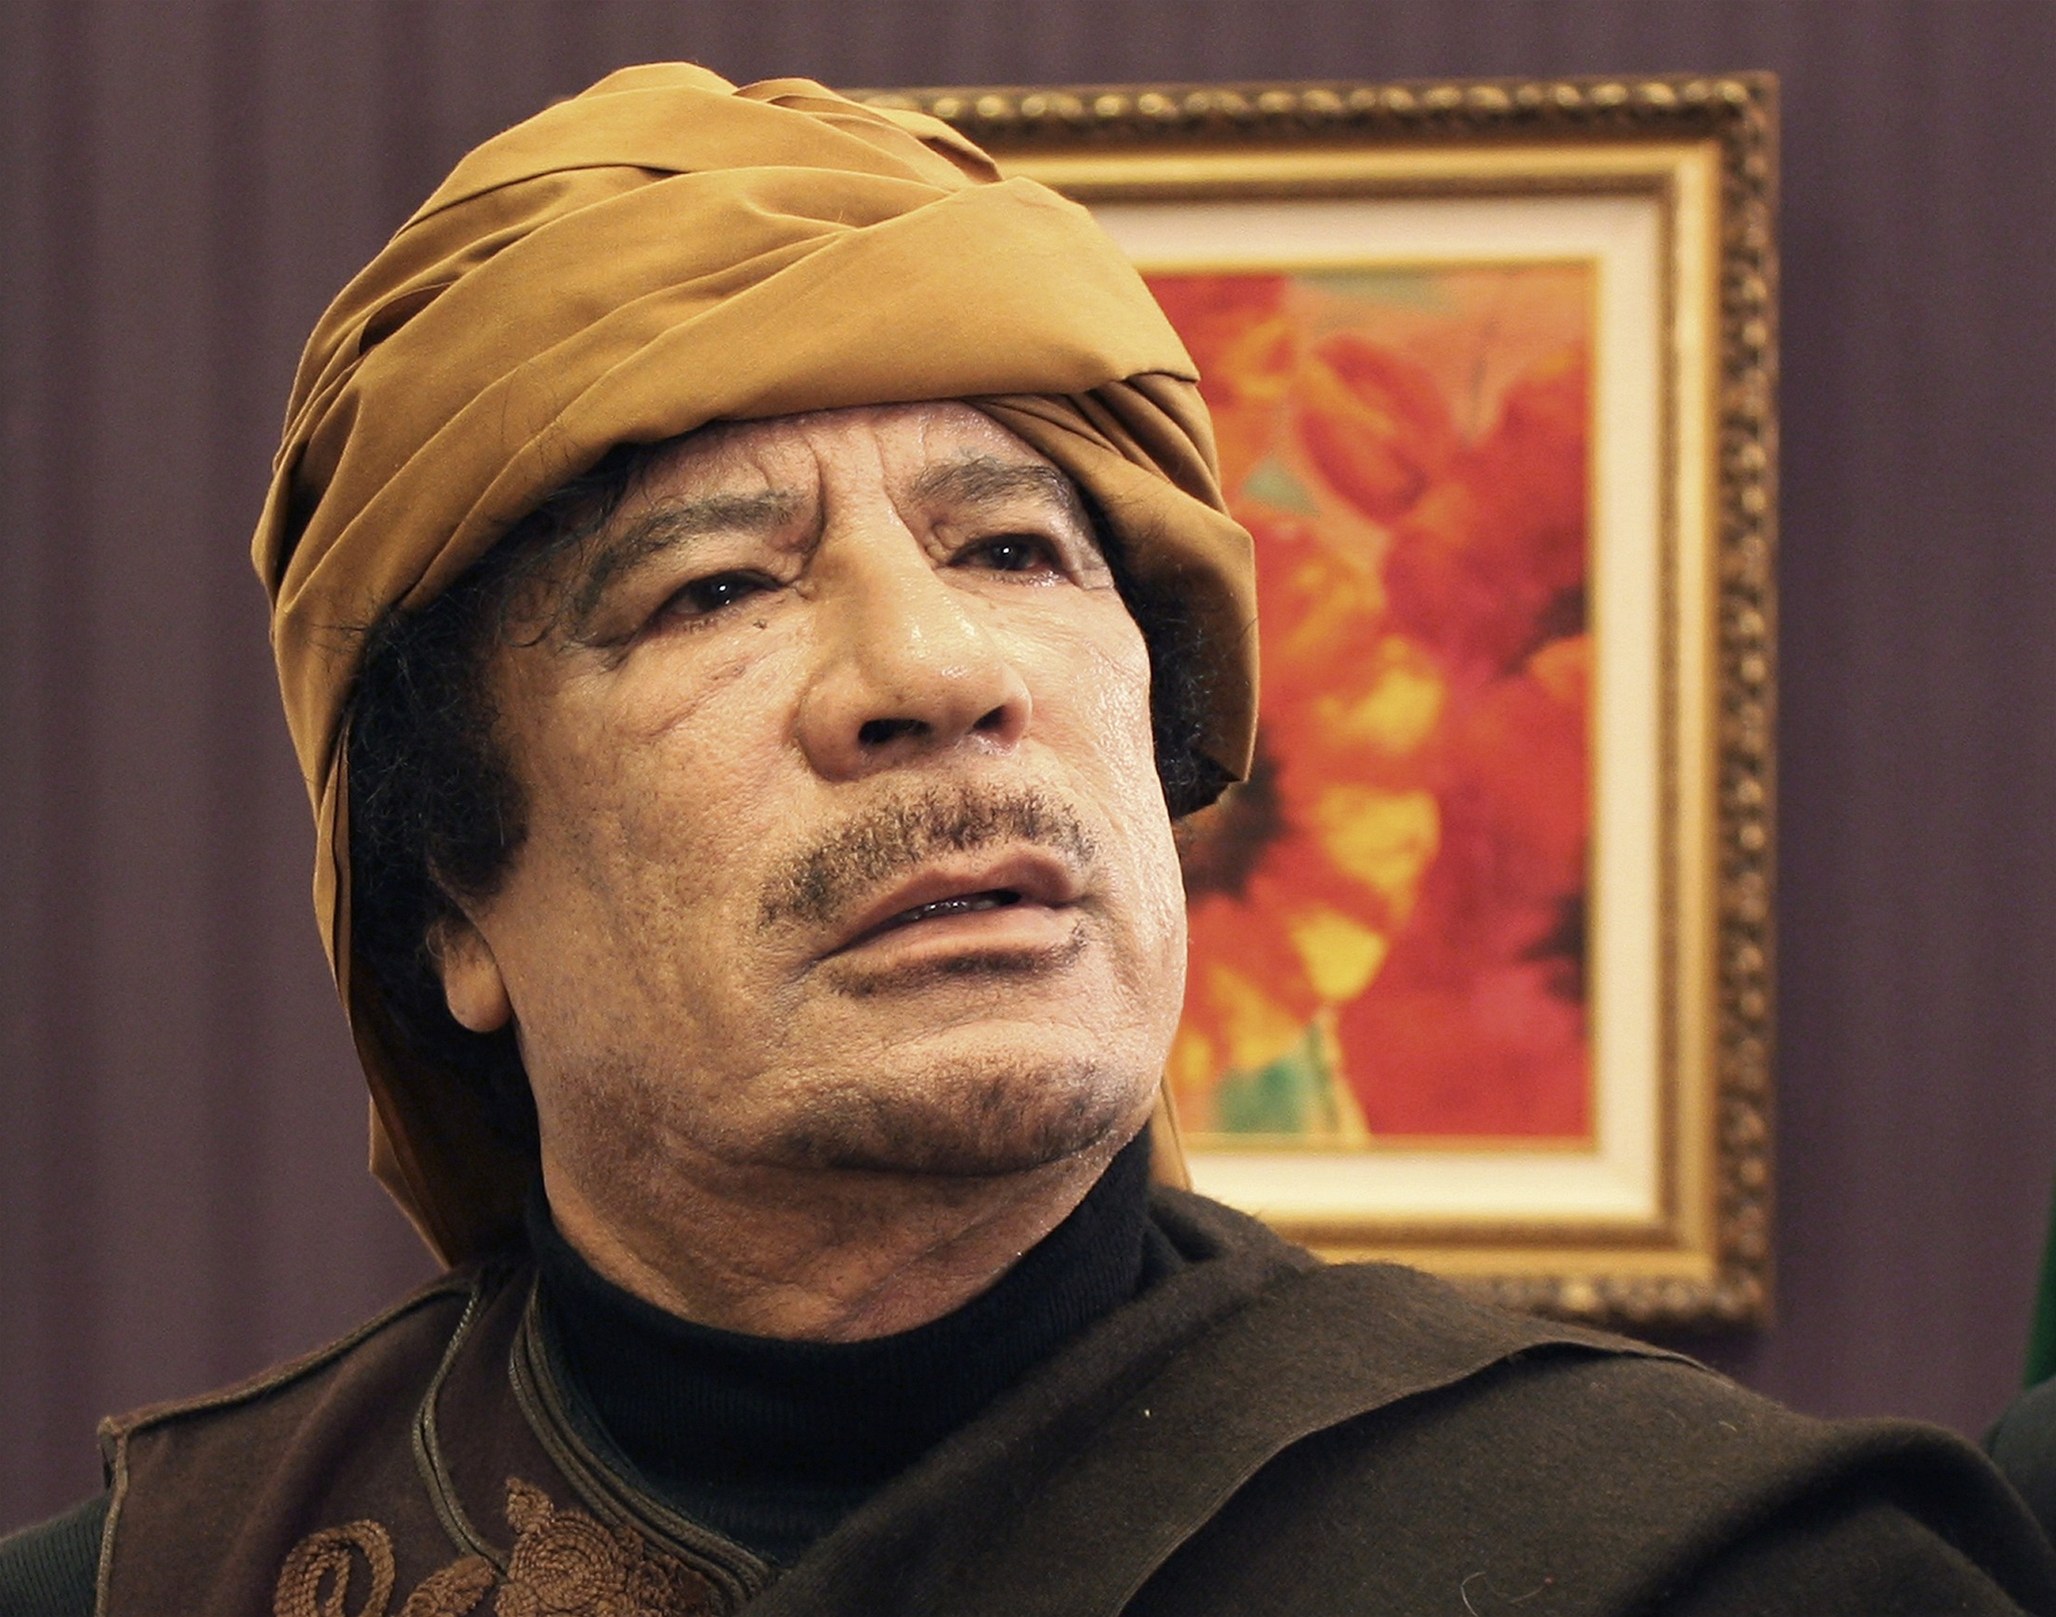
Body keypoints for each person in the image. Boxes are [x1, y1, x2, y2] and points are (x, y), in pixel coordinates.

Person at [2, 63, 2051, 1617]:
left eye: (1010, 548)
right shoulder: (163, 1578)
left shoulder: (1705, 1567)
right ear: (451, 903)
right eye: (716, 588)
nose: (935, 667)